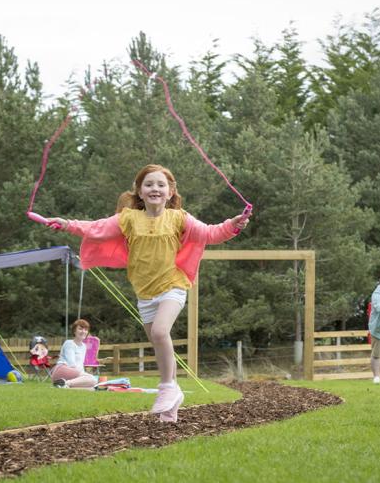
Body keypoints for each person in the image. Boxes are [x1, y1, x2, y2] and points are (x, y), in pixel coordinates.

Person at [42, 164, 250, 422]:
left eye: (161, 185)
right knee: (158, 343)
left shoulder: (179, 218)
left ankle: (166, 388)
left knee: (161, 332)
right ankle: (170, 409)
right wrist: (67, 224)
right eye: (149, 184)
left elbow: (210, 233)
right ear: (139, 192)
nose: (155, 189)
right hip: (144, 293)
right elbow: (95, 228)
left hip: (173, 285)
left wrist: (234, 223)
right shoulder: (128, 218)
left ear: (170, 191)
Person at [50, 319, 99, 389]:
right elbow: (71, 364)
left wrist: (83, 376)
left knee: (91, 387)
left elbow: (80, 364)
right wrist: (84, 376)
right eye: (80, 329)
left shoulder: (84, 346)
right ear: (74, 331)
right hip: (62, 369)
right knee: (93, 379)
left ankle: (64, 386)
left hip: (73, 373)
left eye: (85, 330)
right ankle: (64, 383)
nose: (83, 331)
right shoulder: (69, 343)